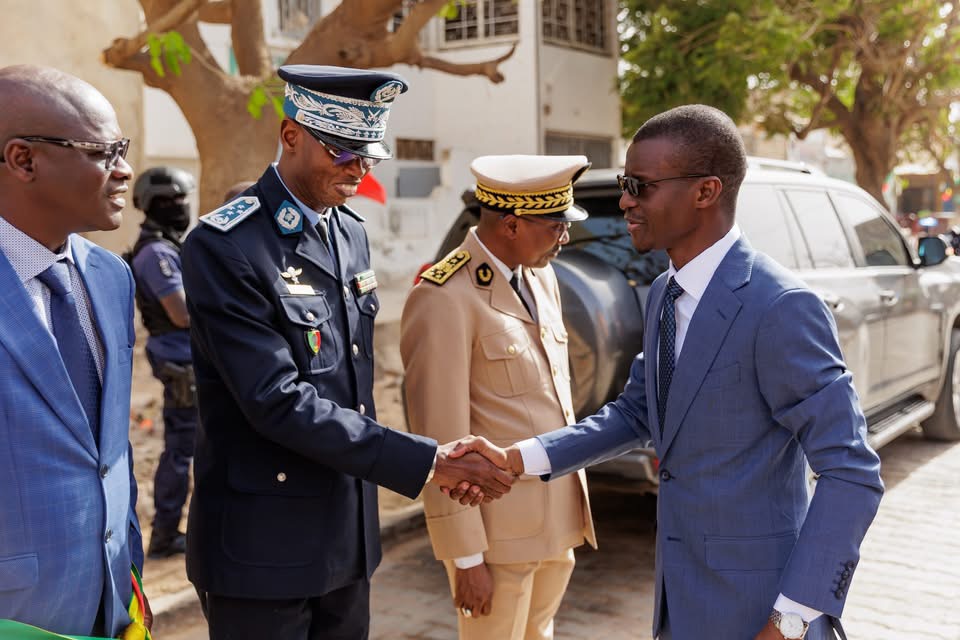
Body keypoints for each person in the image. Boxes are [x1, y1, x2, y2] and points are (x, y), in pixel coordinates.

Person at [456, 105, 885, 640]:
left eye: (640, 186)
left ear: (705, 191)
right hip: (680, 601)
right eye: (624, 184)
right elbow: (637, 412)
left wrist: (794, 618)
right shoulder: (666, 290)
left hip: (759, 611)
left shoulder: (779, 306)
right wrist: (515, 459)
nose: (625, 201)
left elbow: (851, 470)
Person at [181, 64, 514, 640]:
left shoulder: (349, 231)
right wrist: (429, 460)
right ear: (291, 135)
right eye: (341, 152)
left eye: (369, 156)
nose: (358, 169)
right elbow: (276, 400)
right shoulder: (226, 244)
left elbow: (352, 388)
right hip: (262, 547)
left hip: (346, 537)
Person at [401, 155, 597, 640]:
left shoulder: (540, 277)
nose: (564, 238)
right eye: (555, 226)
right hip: (496, 538)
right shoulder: (445, 295)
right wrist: (466, 558)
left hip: (556, 519)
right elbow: (440, 438)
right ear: (511, 224)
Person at [0, 65, 151, 637]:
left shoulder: (111, 276)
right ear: (23, 160)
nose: (125, 170)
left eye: (123, 149)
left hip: (110, 602)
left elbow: (109, 451)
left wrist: (129, 572)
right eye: (103, 152)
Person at [127, 166, 198, 559]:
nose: (180, 206)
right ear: (152, 206)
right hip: (180, 362)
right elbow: (182, 313)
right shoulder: (156, 252)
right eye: (170, 201)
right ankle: (166, 534)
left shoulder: (169, 245)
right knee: (181, 450)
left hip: (187, 358)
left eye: (182, 199)